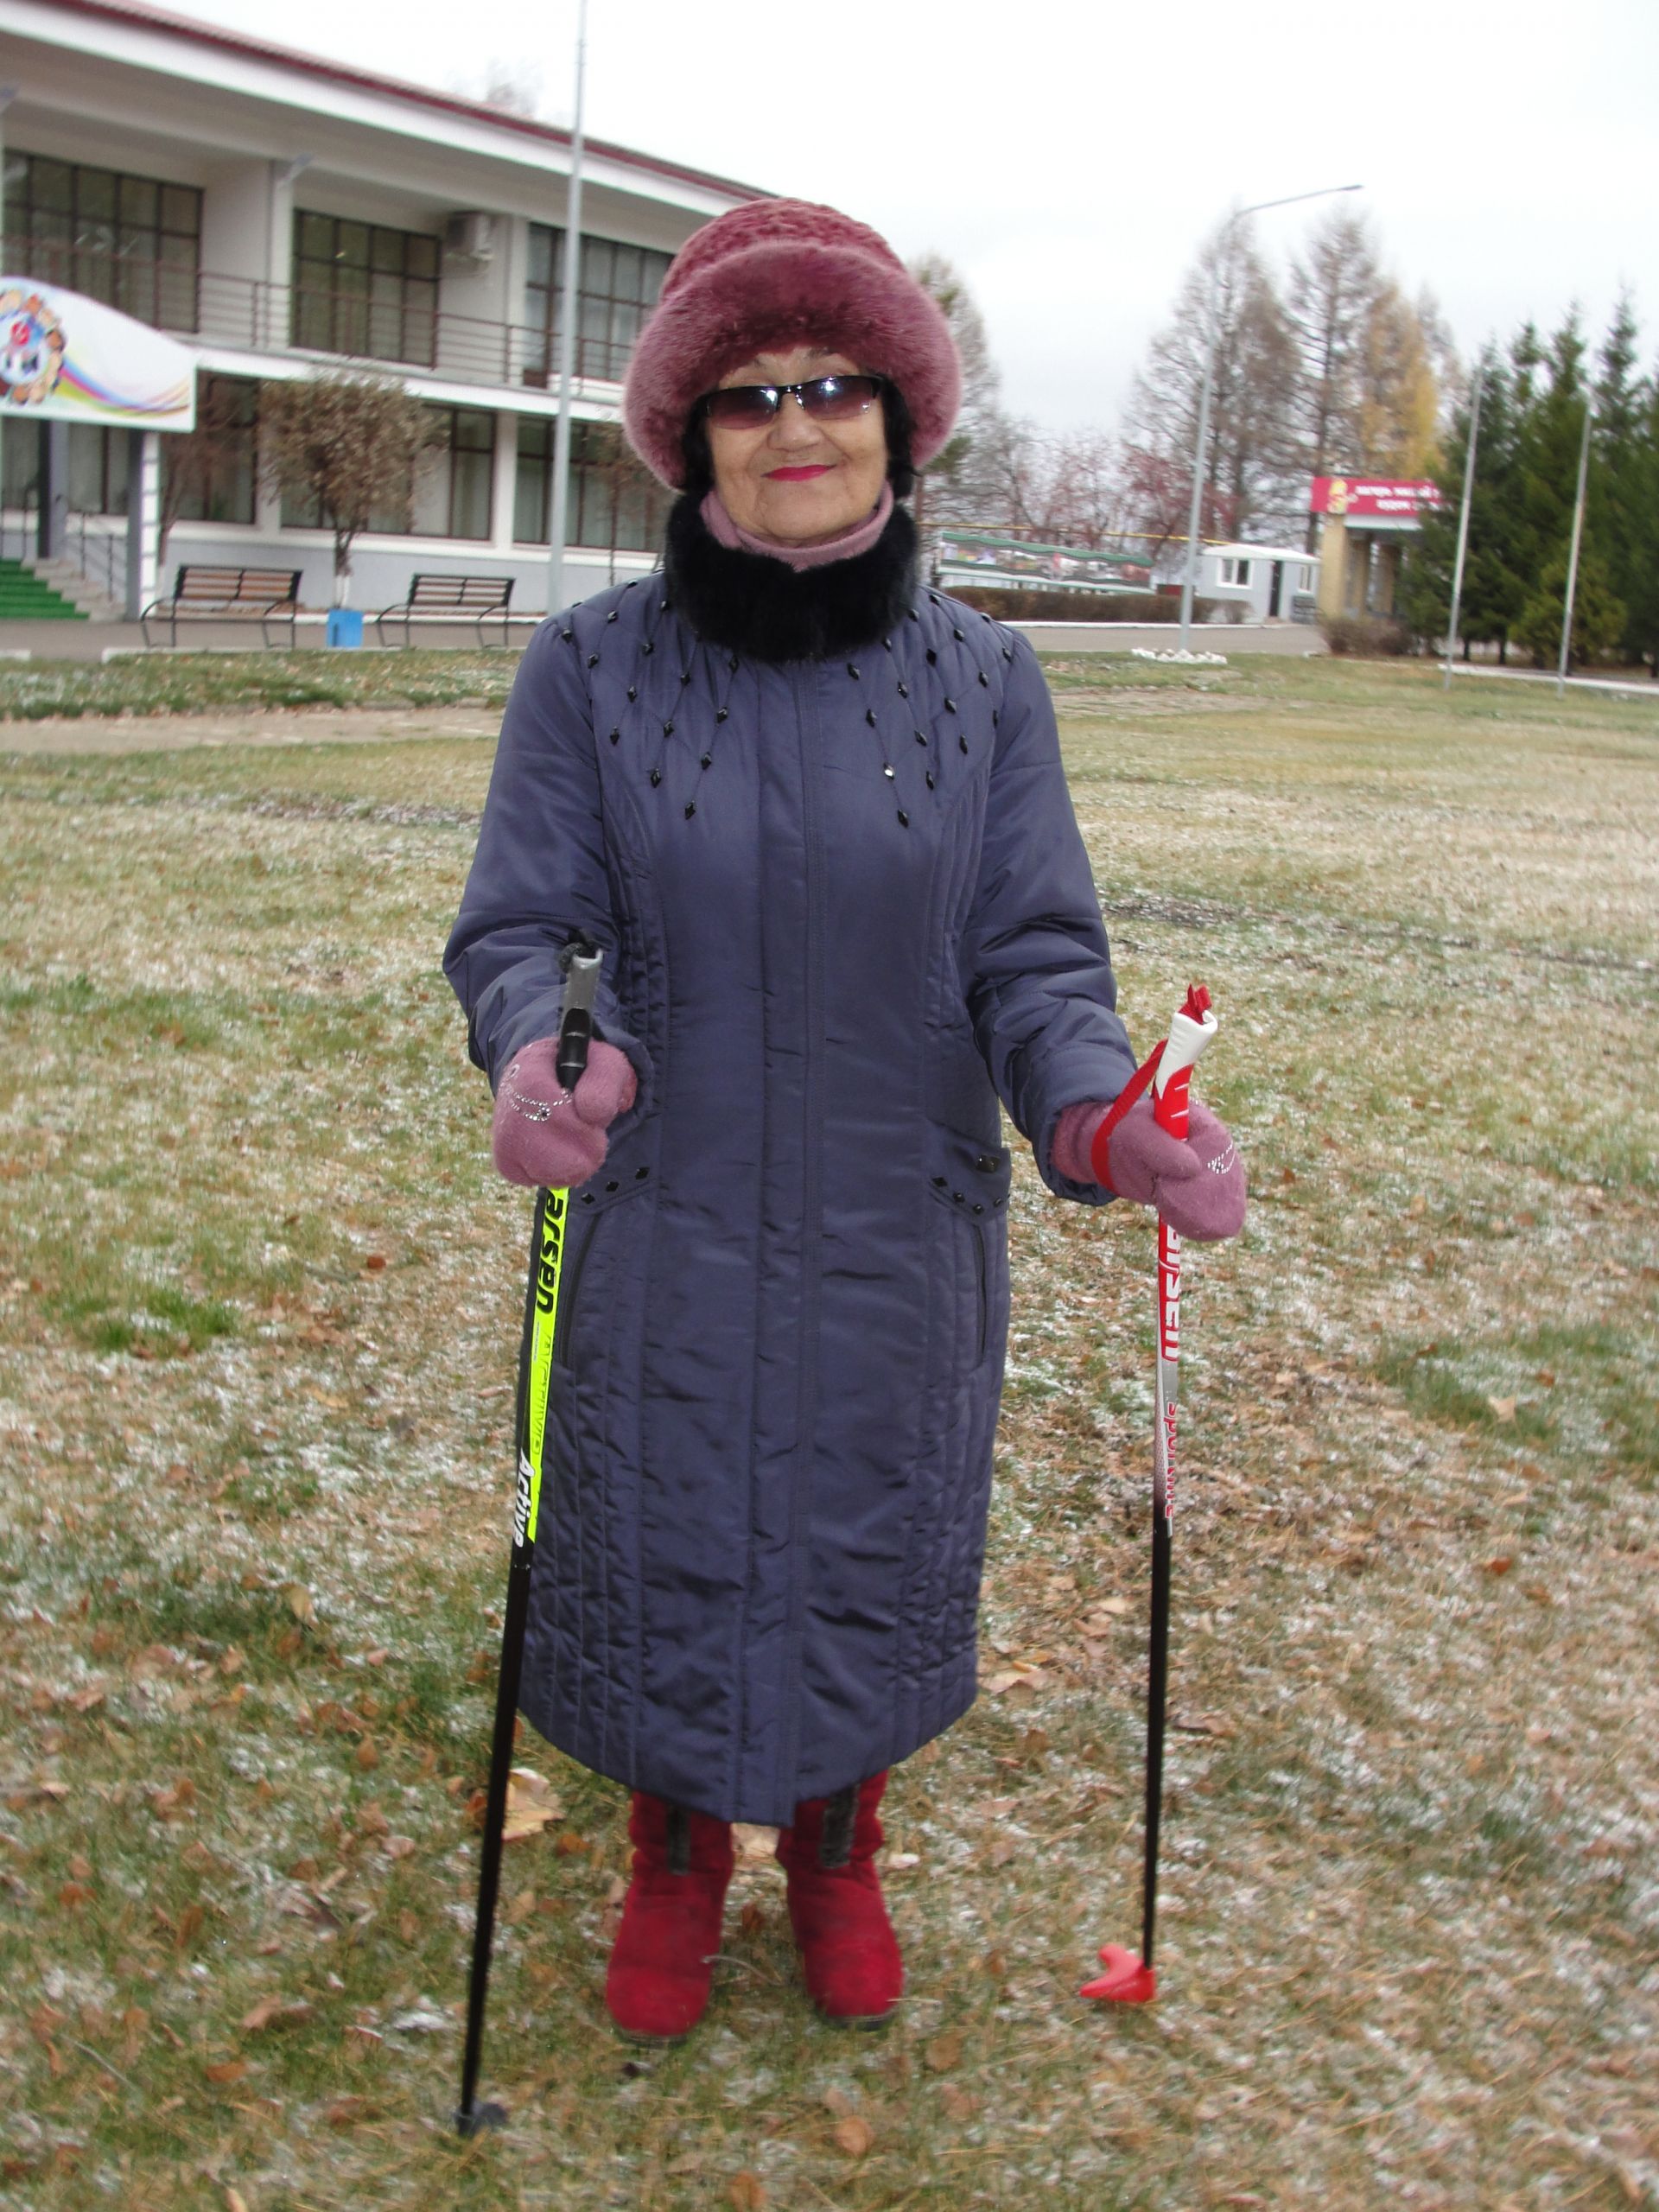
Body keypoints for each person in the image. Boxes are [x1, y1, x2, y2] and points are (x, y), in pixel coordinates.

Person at [444, 199, 1245, 2047]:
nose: (794, 426)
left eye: (831, 386)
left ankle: (836, 1839)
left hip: (904, 1223)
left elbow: (1032, 952)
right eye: (745, 396)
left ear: (896, 410)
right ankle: (669, 1847)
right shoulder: (593, 671)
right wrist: (551, 1050)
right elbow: (528, 925)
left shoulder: (984, 684)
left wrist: (1105, 1117)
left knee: (868, 1537)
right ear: (688, 434)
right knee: (662, 1524)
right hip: (669, 1214)